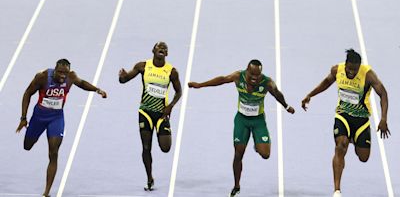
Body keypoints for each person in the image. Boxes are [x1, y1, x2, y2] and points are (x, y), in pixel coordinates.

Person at [188, 59, 295, 197]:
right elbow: (222, 79)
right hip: (242, 120)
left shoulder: (267, 82)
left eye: (257, 76)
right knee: (238, 154)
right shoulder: (238, 76)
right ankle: (236, 185)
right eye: (252, 76)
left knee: (265, 154)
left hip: (258, 121)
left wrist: (286, 106)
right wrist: (200, 85)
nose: (254, 79)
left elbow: (277, 94)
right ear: (247, 71)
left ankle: (257, 145)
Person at [301, 49, 390, 197]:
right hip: (343, 116)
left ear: (359, 66)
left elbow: (383, 94)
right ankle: (337, 190)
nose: (351, 72)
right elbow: (326, 82)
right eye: (349, 68)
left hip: (361, 120)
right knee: (340, 146)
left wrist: (383, 119)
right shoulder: (337, 69)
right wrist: (310, 95)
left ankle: (354, 139)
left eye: (354, 70)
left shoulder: (368, 75)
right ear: (346, 64)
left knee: (363, 157)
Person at [15, 59, 107, 197]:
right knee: (27, 146)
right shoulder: (43, 77)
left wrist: (97, 90)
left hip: (56, 118)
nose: (63, 76)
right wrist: (23, 118)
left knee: (53, 153)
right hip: (39, 117)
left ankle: (46, 192)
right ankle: (31, 135)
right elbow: (27, 93)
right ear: (55, 70)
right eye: (60, 73)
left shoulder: (71, 77)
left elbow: (82, 84)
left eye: (66, 73)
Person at [118, 41, 182, 191]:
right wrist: (122, 77)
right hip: (145, 112)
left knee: (166, 148)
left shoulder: (171, 71)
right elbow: (125, 80)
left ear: (167, 54)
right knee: (146, 147)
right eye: (159, 47)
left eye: (165, 48)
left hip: (161, 114)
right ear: (153, 50)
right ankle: (149, 178)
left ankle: (150, 176)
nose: (162, 49)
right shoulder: (143, 66)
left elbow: (179, 92)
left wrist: (170, 106)